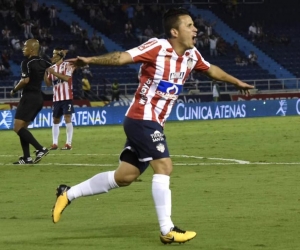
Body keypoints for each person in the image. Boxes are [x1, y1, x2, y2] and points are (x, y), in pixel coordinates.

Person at [52, 8, 254, 244]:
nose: (196, 29)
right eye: (189, 25)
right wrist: (90, 60)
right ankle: (167, 230)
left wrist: (236, 81)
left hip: (150, 122)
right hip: (142, 118)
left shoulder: (191, 55)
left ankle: (68, 193)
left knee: (125, 176)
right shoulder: (157, 47)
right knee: (165, 167)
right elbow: (122, 57)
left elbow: (211, 70)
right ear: (174, 31)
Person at [10, 39, 51, 164]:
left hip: (29, 97)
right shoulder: (44, 62)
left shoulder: (27, 63)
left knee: (17, 128)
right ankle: (27, 158)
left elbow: (25, 80)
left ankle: (40, 148)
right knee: (23, 129)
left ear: (32, 49)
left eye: (25, 46)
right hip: (38, 98)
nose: (23, 49)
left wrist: (15, 89)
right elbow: (48, 82)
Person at [44, 48, 75, 150]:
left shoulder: (68, 65)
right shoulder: (51, 67)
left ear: (60, 55)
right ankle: (55, 143)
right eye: (52, 54)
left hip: (67, 97)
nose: (53, 56)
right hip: (56, 98)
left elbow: (67, 78)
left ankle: (68, 144)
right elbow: (48, 84)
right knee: (55, 120)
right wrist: (45, 73)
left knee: (67, 118)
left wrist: (53, 73)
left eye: (55, 54)